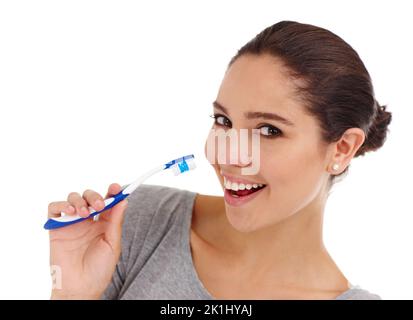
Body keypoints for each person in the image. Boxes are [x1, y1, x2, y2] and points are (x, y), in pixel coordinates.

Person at [47, 20, 391, 300]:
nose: (228, 154)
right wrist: (73, 294)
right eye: (224, 122)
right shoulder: (140, 222)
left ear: (342, 148)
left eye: (268, 130)